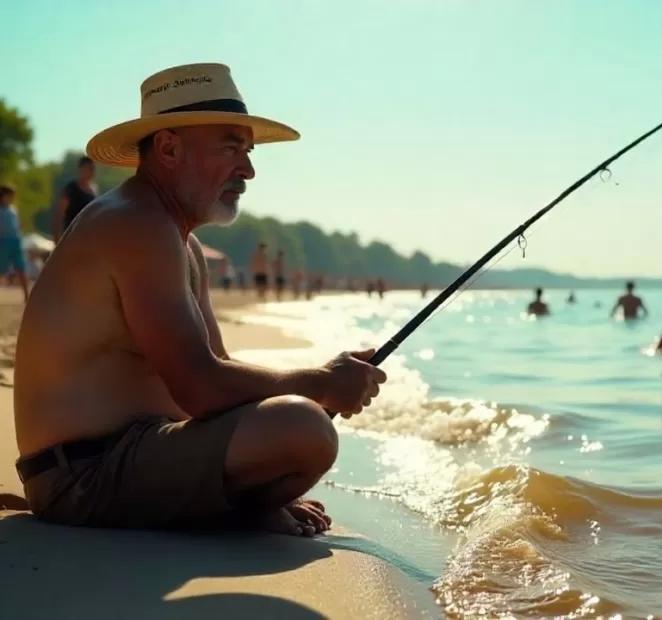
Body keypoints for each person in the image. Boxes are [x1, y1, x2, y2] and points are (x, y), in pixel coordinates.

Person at [14, 63, 386, 537]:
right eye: (232, 146)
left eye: (248, 150)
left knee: (296, 423)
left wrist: (319, 385)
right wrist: (321, 383)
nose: (248, 169)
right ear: (168, 147)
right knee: (304, 427)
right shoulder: (134, 224)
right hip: (82, 477)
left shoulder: (180, 241)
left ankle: (239, 505)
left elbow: (218, 371)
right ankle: (239, 508)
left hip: (130, 456)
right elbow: (201, 387)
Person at [55, 156, 97, 241]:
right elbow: (59, 215)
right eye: (89, 168)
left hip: (88, 238)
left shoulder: (93, 190)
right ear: (81, 169)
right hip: (72, 237)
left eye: (93, 169)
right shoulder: (71, 189)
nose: (92, 172)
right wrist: (57, 239)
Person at [0, 186, 28, 301]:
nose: (11, 198)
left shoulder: (13, 209)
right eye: (9, 195)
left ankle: (26, 295)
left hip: (16, 240)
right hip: (3, 241)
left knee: (21, 268)